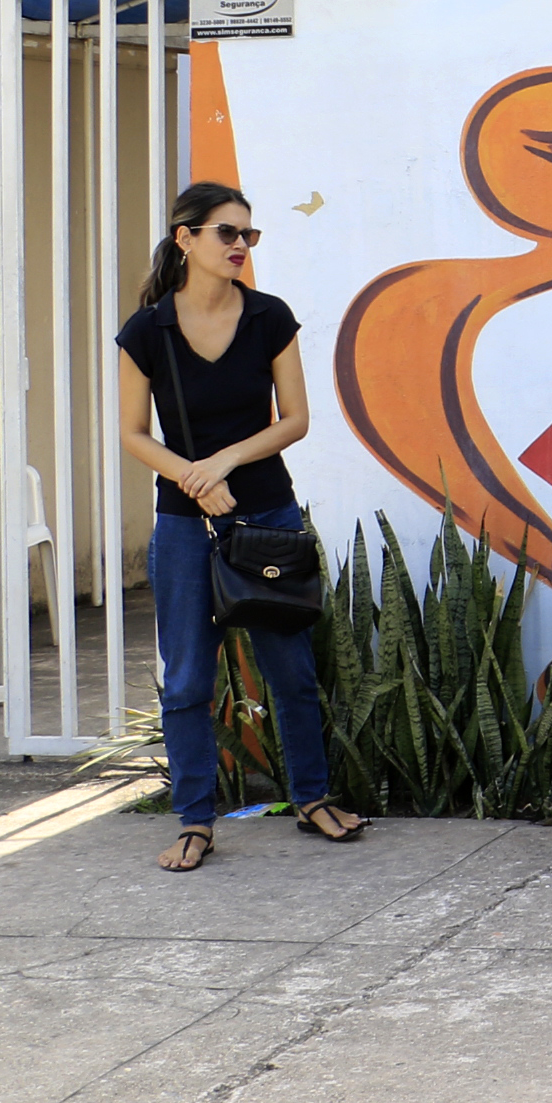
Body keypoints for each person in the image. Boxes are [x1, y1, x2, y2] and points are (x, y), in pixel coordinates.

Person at [113, 181, 360, 872]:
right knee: (189, 678)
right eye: (227, 233)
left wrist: (222, 459)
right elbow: (133, 434)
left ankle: (312, 799)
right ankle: (196, 820)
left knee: (291, 671)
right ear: (185, 239)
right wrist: (194, 477)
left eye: (248, 235)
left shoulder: (269, 318)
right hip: (186, 527)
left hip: (268, 515)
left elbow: (295, 419)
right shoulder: (147, 331)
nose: (240, 247)